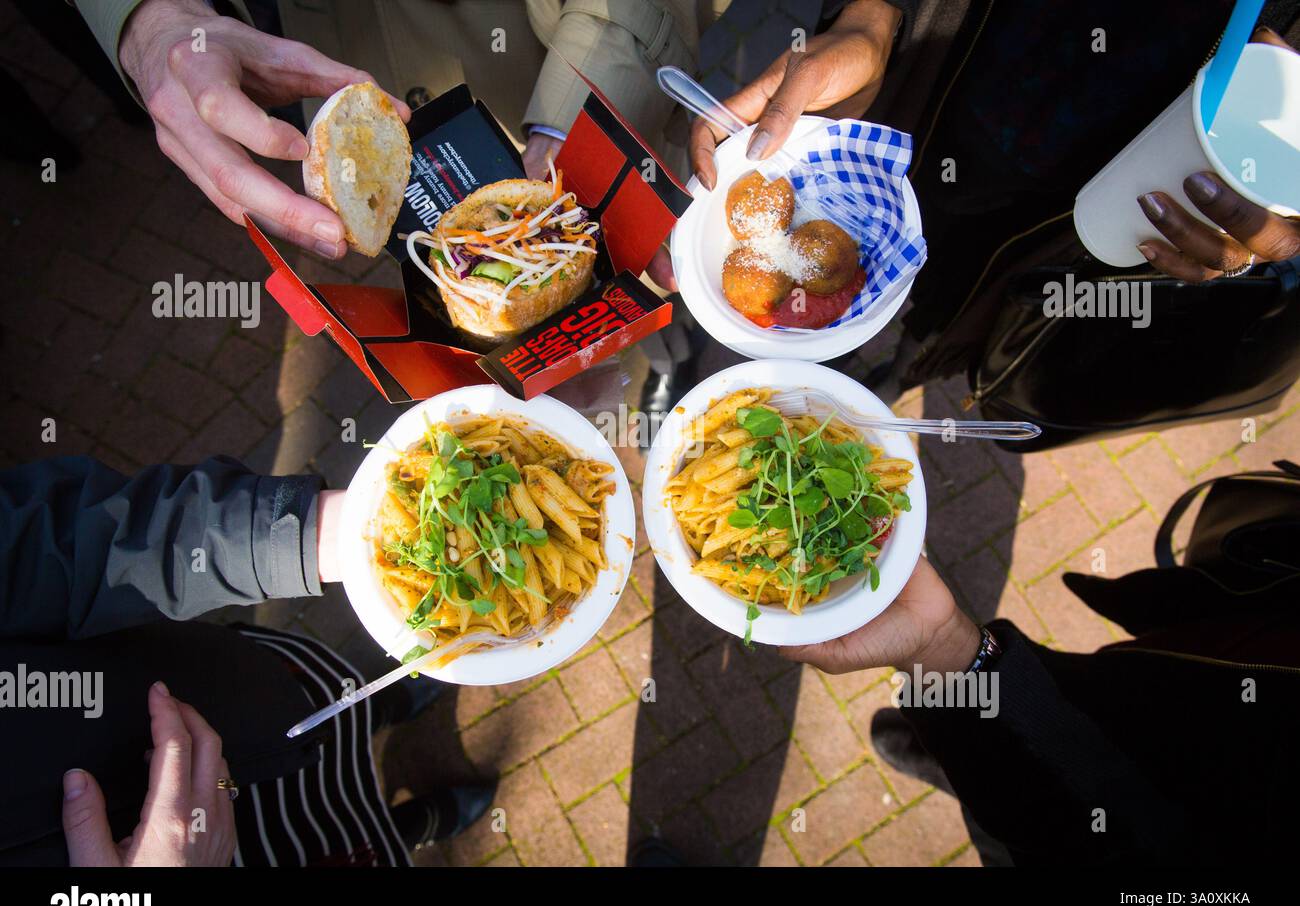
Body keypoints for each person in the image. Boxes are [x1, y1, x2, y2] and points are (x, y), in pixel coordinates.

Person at [683, 0, 1300, 385]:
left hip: (1081, 204)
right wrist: (871, 16)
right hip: (921, 94)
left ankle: (887, 367)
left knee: (933, 318)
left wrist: (1267, 209)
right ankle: (723, 373)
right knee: (806, 337)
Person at [0, 456, 492, 866]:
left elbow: (48, 546)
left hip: (230, 697)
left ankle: (384, 704)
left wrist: (296, 533)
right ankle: (417, 824)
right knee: (354, 849)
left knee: (338, 705)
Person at [75, 0, 706, 280]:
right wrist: (153, 18)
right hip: (286, 49)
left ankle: (653, 365)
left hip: (542, 66)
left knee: (626, 256)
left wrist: (568, 125)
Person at [780, 552, 1300, 865]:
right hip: (1193, 672)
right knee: (1071, 706)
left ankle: (961, 761)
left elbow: (1123, 848)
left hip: (1098, 807)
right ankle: (956, 747)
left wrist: (946, 654)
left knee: (1013, 815)